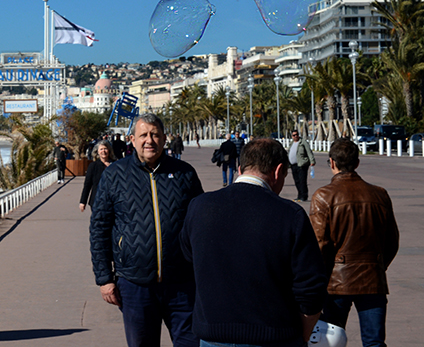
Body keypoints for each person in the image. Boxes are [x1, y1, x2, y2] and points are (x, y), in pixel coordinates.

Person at [179, 139, 327, 346]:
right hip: (273, 336)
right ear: (278, 171)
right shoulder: (290, 214)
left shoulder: (199, 206)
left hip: (212, 335)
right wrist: (302, 336)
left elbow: (188, 256)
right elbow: (311, 287)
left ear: (240, 169)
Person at [89, 113, 203, 347]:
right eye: (143, 135)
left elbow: (201, 226)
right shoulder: (115, 175)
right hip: (134, 285)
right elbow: (99, 227)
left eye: (155, 135)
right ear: (132, 139)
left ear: (164, 139)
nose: (149, 140)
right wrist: (104, 278)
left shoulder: (185, 174)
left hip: (182, 283)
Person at [309, 138, 399, 347]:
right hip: (372, 279)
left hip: (336, 283)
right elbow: (392, 240)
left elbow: (319, 244)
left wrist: (317, 279)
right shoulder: (379, 194)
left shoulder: (324, 196)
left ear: (331, 163)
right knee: (374, 342)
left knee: (328, 341)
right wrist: (376, 265)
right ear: (357, 163)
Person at [78, 139, 114, 212]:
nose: (103, 151)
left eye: (105, 149)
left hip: (112, 201)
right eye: (101, 149)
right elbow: (87, 184)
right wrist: (83, 201)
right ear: (97, 151)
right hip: (97, 201)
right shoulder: (93, 166)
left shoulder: (115, 165)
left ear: (109, 150)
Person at [287, 130, 315, 201]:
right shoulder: (291, 143)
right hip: (293, 165)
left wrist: (312, 161)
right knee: (297, 181)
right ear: (292, 136)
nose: (295, 136)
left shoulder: (303, 142)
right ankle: (299, 196)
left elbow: (309, 151)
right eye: (294, 135)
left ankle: (304, 196)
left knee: (302, 181)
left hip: (302, 164)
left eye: (296, 134)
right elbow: (289, 152)